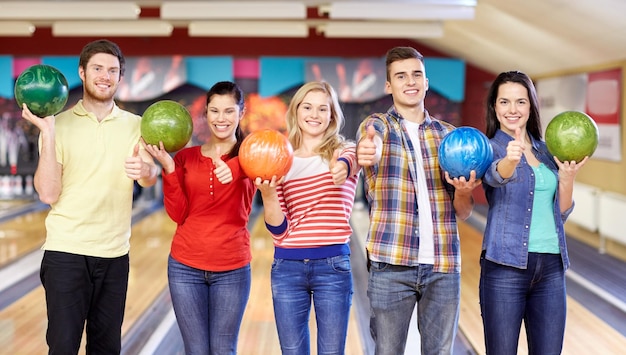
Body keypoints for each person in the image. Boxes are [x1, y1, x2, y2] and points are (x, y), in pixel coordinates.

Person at [20, 39, 158, 354]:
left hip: (114, 254)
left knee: (107, 348)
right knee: (63, 346)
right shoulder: (58, 124)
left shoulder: (136, 126)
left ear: (121, 77)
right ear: (82, 72)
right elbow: (48, 193)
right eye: (97, 68)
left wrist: (147, 172)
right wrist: (49, 133)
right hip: (65, 252)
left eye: (112, 70)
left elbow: (150, 179)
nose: (105, 76)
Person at [356, 46, 481, 355]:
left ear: (426, 82)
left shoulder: (449, 137)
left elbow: (462, 212)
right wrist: (368, 150)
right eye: (400, 76)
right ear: (389, 86)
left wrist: (464, 191)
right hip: (391, 264)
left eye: (416, 75)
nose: (410, 82)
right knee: (388, 351)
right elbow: (371, 143)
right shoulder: (377, 127)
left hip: (442, 265)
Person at [143, 81, 256, 354]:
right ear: (206, 113)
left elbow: (262, 159)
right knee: (195, 350)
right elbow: (178, 213)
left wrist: (236, 167)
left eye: (229, 111)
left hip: (232, 268)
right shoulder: (185, 158)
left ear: (241, 113)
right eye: (214, 111)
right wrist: (169, 169)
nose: (221, 118)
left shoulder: (251, 155)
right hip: (185, 267)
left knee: (222, 349)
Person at [480, 71, 588, 354]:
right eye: (504, 102)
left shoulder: (546, 150)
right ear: (494, 107)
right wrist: (510, 161)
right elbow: (493, 178)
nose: (512, 110)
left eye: (520, 102)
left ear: (531, 106)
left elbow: (560, 213)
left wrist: (568, 177)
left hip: (551, 267)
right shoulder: (489, 148)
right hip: (505, 267)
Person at [255, 81, 360, 355]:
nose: (314, 114)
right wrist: (267, 194)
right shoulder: (281, 160)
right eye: (308, 107)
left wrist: (342, 169)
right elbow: (279, 231)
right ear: (296, 111)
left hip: (333, 267)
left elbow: (351, 161)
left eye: (323, 108)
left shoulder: (345, 151)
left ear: (332, 115)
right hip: (287, 267)